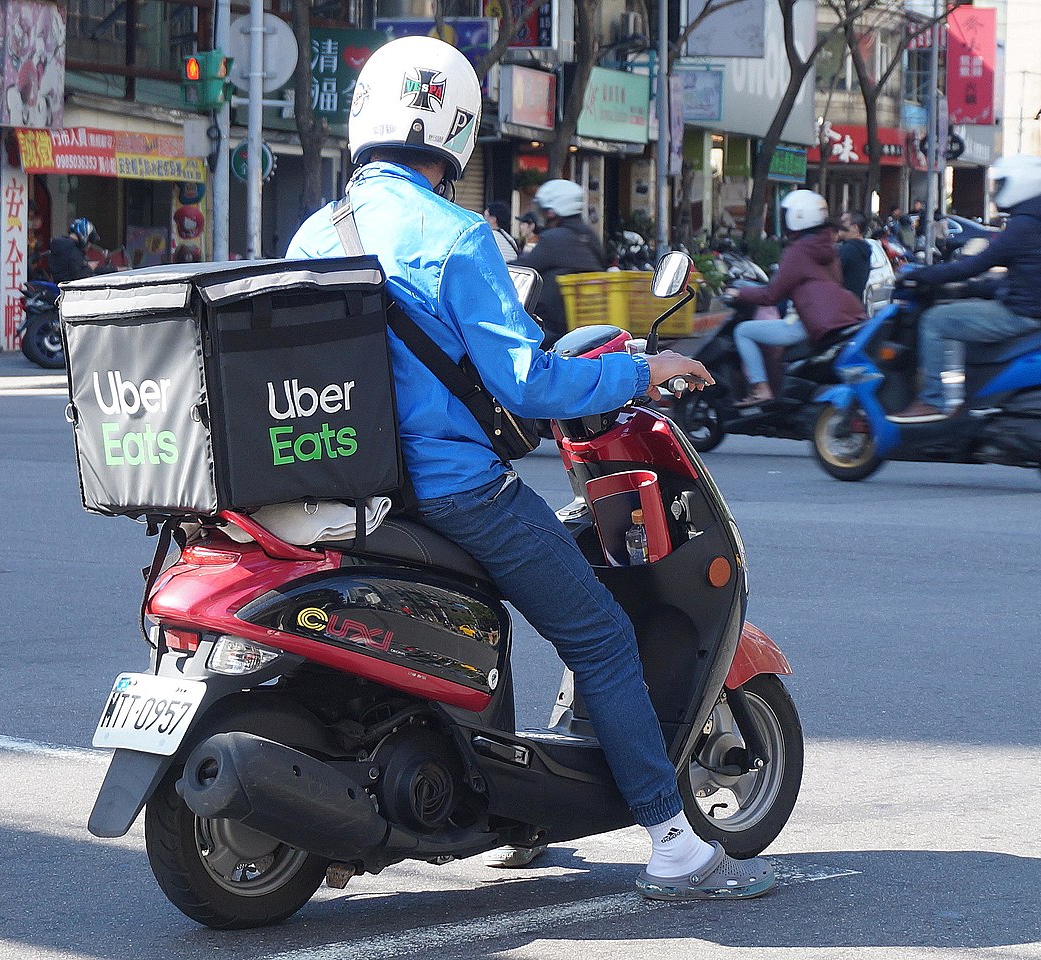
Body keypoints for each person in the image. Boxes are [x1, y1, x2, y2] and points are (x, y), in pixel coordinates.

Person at [286, 35, 773, 902]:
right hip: (455, 493)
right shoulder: (457, 234)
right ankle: (669, 839)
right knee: (599, 634)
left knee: (481, 625)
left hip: (351, 492)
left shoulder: (312, 233)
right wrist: (640, 371)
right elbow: (527, 379)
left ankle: (510, 820)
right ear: (458, 128)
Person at [890, 155, 1041, 423]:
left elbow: (976, 264)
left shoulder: (1024, 225)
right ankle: (970, 402)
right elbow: (1023, 276)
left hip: (1019, 314)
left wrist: (927, 275)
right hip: (1028, 307)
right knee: (962, 319)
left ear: (1021, 184)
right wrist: (973, 289)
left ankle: (932, 400)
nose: (997, 191)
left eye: (1003, 183)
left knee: (935, 320)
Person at [729, 190, 865, 407]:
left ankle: (761, 388)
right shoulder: (827, 246)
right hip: (835, 316)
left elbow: (771, 295)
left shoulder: (799, 250)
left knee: (743, 331)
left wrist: (740, 293)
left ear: (798, 217)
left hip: (805, 323)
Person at [515, 179, 606, 347]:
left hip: (553, 327)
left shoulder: (555, 238)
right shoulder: (589, 236)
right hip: (586, 321)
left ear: (552, 212)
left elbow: (524, 267)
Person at [836, 210, 871, 304]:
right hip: (856, 305)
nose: (839, 226)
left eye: (843, 222)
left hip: (841, 305)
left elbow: (831, 274)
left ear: (855, 228)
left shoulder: (848, 250)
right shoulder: (864, 249)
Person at [49, 218, 97, 283]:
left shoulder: (62, 245)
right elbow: (76, 276)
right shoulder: (72, 250)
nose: (89, 245)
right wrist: (89, 268)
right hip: (67, 289)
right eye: (89, 241)